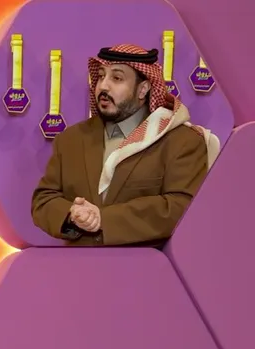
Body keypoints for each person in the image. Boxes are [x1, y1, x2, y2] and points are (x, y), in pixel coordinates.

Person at [31, 44, 220, 247]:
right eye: (101, 76)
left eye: (117, 78)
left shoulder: (181, 140)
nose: (103, 86)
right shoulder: (71, 139)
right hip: (78, 264)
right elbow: (44, 200)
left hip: (146, 266)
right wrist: (71, 213)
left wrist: (103, 218)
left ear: (143, 89)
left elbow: (181, 207)